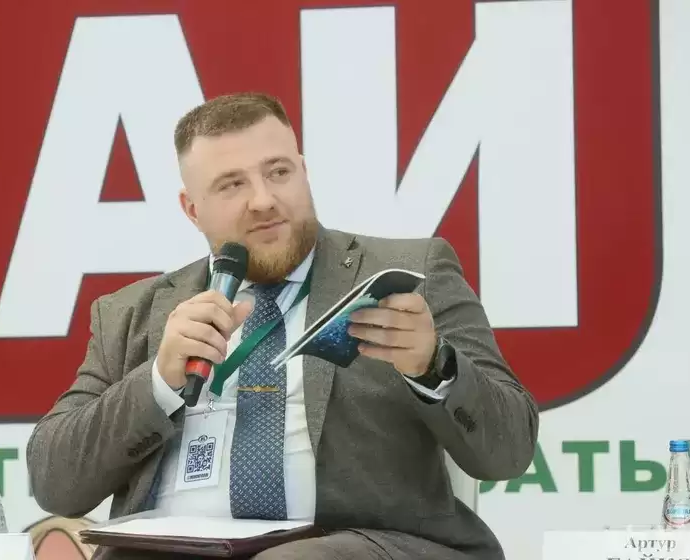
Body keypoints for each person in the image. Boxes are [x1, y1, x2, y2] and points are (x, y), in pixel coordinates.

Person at [27, 92, 539, 560]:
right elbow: (55, 483)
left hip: (354, 546)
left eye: (278, 172)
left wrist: (433, 364)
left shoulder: (408, 275)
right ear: (192, 209)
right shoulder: (131, 313)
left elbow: (509, 449)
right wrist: (157, 382)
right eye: (232, 184)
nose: (264, 200)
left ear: (304, 172)